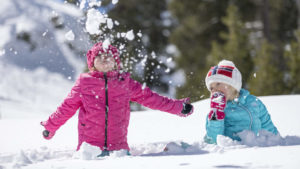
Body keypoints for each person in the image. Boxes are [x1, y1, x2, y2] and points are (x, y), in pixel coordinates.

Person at [41, 42, 193, 156]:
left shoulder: (125, 82)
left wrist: (178, 107)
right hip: (90, 149)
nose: (104, 58)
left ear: (116, 62)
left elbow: (151, 98)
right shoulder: (84, 83)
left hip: (118, 148)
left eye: (108, 55)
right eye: (99, 56)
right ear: (92, 63)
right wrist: (50, 127)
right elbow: (66, 107)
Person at [204, 60, 278, 144]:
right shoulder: (214, 112)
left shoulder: (254, 103)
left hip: (257, 150)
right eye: (211, 88)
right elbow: (212, 140)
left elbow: (268, 127)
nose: (215, 90)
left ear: (232, 85)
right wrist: (216, 116)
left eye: (218, 84)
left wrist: (276, 141)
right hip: (232, 152)